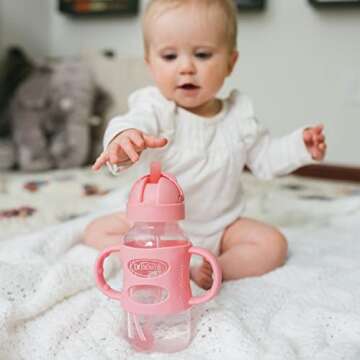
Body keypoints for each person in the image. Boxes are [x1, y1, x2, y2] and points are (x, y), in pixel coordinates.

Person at [84, 0, 327, 290]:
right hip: (156, 227)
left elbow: (265, 159)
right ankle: (158, 259)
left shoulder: (239, 116)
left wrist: (300, 146)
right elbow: (131, 124)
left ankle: (212, 268)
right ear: (150, 64)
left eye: (202, 54)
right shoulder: (155, 108)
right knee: (96, 231)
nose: (186, 67)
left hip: (222, 228)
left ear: (230, 63)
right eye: (170, 56)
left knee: (273, 243)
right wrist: (124, 141)